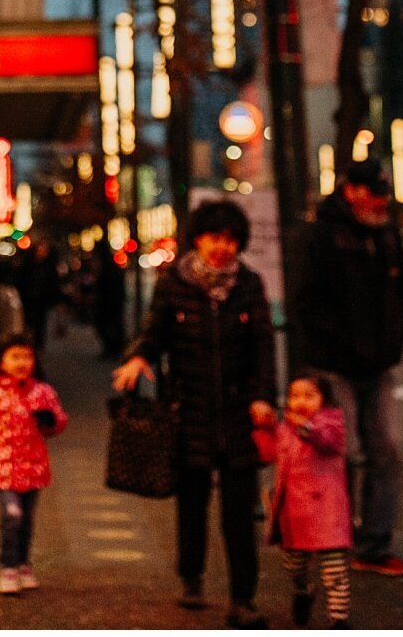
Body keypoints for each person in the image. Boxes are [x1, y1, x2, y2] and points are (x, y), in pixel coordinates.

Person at [113, 199, 278, 629]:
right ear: (198, 239)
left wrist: (264, 396)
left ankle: (243, 598)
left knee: (240, 511)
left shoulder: (250, 285)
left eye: (229, 240)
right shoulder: (174, 284)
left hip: (239, 414)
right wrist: (138, 357)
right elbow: (155, 333)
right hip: (189, 411)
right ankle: (192, 578)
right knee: (192, 503)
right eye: (213, 238)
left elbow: (264, 345)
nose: (221, 247)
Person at [289, 157, 403, 579]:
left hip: (377, 363)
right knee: (338, 452)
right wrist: (340, 343)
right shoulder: (323, 234)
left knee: (385, 451)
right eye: (374, 193)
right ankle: (332, 538)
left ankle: (374, 544)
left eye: (383, 194)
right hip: (335, 365)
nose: (380, 202)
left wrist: (396, 336)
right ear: (351, 191)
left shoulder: (385, 235)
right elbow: (307, 300)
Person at [0, 332, 69, 595]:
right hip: (4, 468)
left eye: (27, 356)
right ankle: (8, 566)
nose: (22, 362)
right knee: (13, 515)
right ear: (1, 362)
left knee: (27, 519)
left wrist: (50, 420)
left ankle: (23, 563)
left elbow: (58, 422)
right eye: (15, 357)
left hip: (34, 467)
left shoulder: (43, 392)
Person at [268, 374, 353, 629]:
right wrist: (263, 427)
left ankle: (339, 619)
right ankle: (303, 590)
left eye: (309, 396)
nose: (301, 402)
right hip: (295, 512)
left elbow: (327, 440)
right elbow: (269, 451)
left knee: (334, 569)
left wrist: (305, 427)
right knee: (294, 564)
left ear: (324, 400)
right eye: (295, 396)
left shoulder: (332, 423)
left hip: (327, 510)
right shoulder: (285, 429)